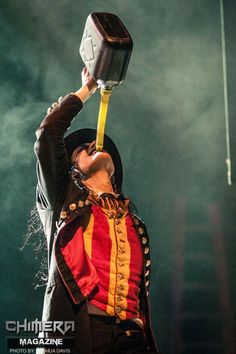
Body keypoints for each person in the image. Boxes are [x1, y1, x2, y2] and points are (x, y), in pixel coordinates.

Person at [35, 67, 159, 354]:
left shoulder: (134, 224)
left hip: (132, 338)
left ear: (114, 171)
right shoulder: (62, 201)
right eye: (81, 149)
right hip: (83, 333)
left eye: (94, 145)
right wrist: (87, 89)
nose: (92, 144)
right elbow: (47, 133)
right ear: (72, 171)